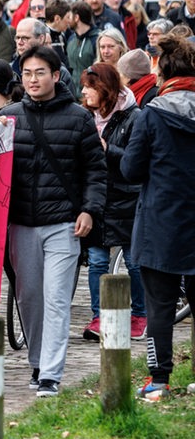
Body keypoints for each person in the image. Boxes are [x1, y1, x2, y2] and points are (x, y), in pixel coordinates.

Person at [0, 45, 106, 398]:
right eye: (27, 73)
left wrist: (89, 209)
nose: (33, 79)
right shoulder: (8, 116)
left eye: (40, 72)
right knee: (29, 298)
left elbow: (95, 169)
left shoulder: (78, 117)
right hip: (21, 223)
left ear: (56, 76)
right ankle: (37, 360)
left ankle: (50, 373)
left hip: (63, 222)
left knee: (57, 298)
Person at [120, 35, 195, 402]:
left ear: (163, 69)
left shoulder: (152, 112)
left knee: (159, 307)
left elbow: (131, 169)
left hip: (161, 222)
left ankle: (159, 381)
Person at [77, 63, 146, 344]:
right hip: (96, 197)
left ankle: (140, 315)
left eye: (90, 86)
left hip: (126, 198)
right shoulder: (84, 117)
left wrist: (109, 150)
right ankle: (99, 315)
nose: (83, 91)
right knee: (96, 261)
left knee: (134, 261)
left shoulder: (134, 116)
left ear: (104, 89)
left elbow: (138, 159)